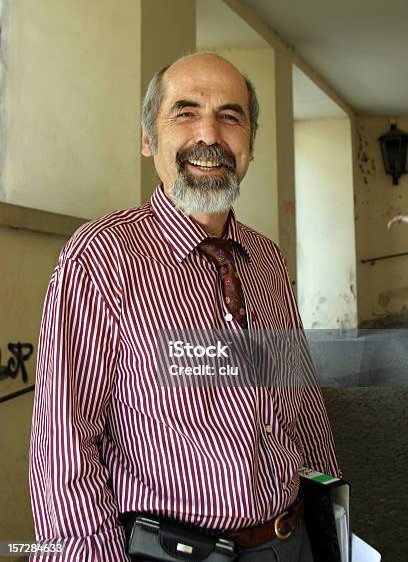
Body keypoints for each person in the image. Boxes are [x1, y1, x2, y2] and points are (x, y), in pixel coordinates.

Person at [29, 52, 340, 561]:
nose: (210, 135)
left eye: (231, 116)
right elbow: (63, 455)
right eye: (185, 112)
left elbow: (302, 411)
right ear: (149, 138)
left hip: (294, 541)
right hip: (175, 552)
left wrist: (332, 522)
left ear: (250, 146)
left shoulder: (266, 260)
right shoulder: (102, 258)